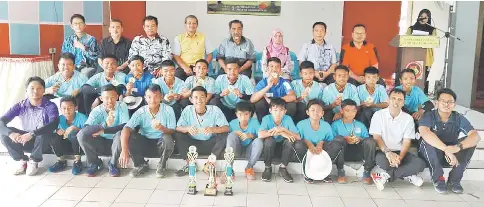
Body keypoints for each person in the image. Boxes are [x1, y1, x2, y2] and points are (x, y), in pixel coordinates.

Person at [418, 88, 480, 194]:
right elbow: (425, 133)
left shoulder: (458, 117)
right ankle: (438, 179)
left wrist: (456, 148)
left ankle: (454, 180)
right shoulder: (429, 115)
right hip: (431, 153)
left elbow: (475, 136)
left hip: (451, 153)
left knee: (470, 142)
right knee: (427, 141)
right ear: (437, 103)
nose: (447, 104)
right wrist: (446, 149)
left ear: (454, 104)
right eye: (443, 101)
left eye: (450, 102)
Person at [0, 77, 59, 176]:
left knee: (43, 132)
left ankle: (34, 161)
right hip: (25, 140)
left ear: (44, 90)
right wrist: (11, 134)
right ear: (26, 90)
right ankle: (22, 160)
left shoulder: (50, 106)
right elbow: (1, 121)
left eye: (39, 88)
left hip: (44, 142)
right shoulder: (20, 105)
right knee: (4, 133)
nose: (35, 91)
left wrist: (32, 134)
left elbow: (53, 124)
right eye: (32, 88)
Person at [369, 88, 426, 191]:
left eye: (400, 99)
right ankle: (409, 175)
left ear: (403, 103)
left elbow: (407, 141)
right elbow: (376, 137)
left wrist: (400, 157)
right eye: (393, 98)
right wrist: (388, 153)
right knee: (384, 162)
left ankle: (385, 176)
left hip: (400, 152)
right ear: (388, 100)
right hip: (383, 151)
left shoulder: (408, 118)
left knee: (420, 164)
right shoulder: (378, 115)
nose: (396, 101)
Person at [117, 84, 176, 178]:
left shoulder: (168, 110)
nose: (153, 100)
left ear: (161, 97)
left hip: (161, 145)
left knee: (167, 138)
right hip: (145, 144)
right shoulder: (141, 112)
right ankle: (140, 165)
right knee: (130, 135)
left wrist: (161, 128)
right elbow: (126, 128)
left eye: (156, 96)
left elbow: (172, 130)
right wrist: (124, 150)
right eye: (149, 97)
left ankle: (162, 165)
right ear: (145, 98)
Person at [174, 86, 229, 177]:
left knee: (224, 134)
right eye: (195, 97)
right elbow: (177, 127)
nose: (199, 100)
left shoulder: (215, 110)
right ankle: (190, 164)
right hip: (193, 146)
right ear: (191, 99)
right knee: (178, 134)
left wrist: (213, 129)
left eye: (202, 97)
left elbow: (227, 128)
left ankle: (210, 163)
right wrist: (187, 129)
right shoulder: (187, 110)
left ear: (206, 98)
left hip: (210, 145)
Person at [77, 84, 130, 177]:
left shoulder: (122, 105)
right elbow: (86, 129)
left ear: (117, 97)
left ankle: (113, 164)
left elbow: (125, 126)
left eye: (113, 97)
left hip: (117, 143)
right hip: (100, 142)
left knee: (120, 133)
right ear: (101, 98)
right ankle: (95, 163)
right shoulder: (97, 111)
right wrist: (104, 125)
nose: (110, 101)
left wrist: (104, 130)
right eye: (106, 98)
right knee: (81, 135)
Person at [297, 100, 346, 184]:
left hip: (322, 151)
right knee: (298, 144)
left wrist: (321, 143)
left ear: (322, 113)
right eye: (312, 110)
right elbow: (298, 138)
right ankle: (307, 173)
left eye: (318, 110)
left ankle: (325, 172)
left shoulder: (326, 125)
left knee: (337, 143)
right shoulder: (301, 124)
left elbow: (329, 140)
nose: (316, 112)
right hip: (307, 151)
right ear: (307, 112)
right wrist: (309, 144)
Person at [258, 98, 305, 183]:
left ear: (285, 111)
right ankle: (268, 167)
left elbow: (298, 137)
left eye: (281, 110)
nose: (278, 113)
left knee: (290, 140)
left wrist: (283, 129)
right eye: (275, 110)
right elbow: (260, 134)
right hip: (269, 148)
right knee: (268, 141)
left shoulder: (288, 119)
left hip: (284, 148)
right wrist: (280, 133)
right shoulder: (266, 118)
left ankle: (283, 168)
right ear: (270, 110)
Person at [331, 99, 376, 184]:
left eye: (353, 111)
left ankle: (367, 172)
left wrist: (359, 139)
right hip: (342, 153)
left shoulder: (360, 125)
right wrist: (345, 138)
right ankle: (341, 171)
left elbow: (366, 140)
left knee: (370, 141)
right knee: (339, 139)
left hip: (358, 152)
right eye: (347, 111)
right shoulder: (335, 125)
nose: (351, 113)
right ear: (342, 111)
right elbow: (332, 142)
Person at [47, 96, 88, 175]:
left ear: (75, 107)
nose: (66, 110)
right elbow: (50, 129)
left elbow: (88, 132)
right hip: (65, 145)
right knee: (54, 137)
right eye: (64, 108)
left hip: (79, 146)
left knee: (74, 134)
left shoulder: (82, 117)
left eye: (69, 107)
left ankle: (77, 162)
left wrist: (75, 128)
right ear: (60, 109)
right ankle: (61, 161)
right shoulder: (59, 119)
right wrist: (57, 130)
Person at [251, 57, 297, 122]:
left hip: (281, 102)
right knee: (259, 104)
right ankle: (263, 125)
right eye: (271, 66)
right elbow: (252, 99)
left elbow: (293, 96)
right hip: (267, 104)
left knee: (292, 105)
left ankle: (284, 125)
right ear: (267, 68)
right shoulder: (262, 82)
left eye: (277, 67)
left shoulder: (285, 83)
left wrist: (275, 102)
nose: (274, 69)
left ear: (280, 69)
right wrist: (268, 86)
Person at [226, 102, 262, 180]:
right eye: (240, 114)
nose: (243, 117)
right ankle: (229, 168)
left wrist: (250, 135)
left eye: (246, 114)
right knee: (231, 135)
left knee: (259, 141)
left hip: (249, 150)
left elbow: (261, 136)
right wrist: (234, 133)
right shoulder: (232, 123)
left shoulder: (254, 122)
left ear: (250, 114)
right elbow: (227, 139)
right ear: (236, 114)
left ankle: (249, 167)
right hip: (237, 149)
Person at [172, 15, 214, 81]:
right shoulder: (179, 38)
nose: (192, 25)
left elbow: (210, 54)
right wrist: (185, 67)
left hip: (199, 67)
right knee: (177, 80)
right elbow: (176, 56)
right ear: (185, 24)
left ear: (197, 25)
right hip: (184, 67)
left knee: (202, 85)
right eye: (189, 23)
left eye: (194, 23)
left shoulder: (203, 37)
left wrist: (203, 66)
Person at [406, 9, 437, 95]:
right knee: (411, 80)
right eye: (421, 17)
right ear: (418, 17)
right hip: (412, 59)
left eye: (425, 17)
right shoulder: (411, 29)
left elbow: (433, 43)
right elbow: (405, 41)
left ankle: (419, 98)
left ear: (429, 19)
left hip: (427, 59)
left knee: (421, 81)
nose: (423, 19)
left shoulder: (432, 30)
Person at [61, 14, 98, 78]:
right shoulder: (68, 40)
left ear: (84, 25)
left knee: (82, 76)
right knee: (58, 77)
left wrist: (83, 48)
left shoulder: (91, 39)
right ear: (71, 26)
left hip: (87, 67)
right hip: (70, 67)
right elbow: (64, 57)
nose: (78, 26)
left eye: (80, 23)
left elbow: (95, 57)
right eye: (75, 24)